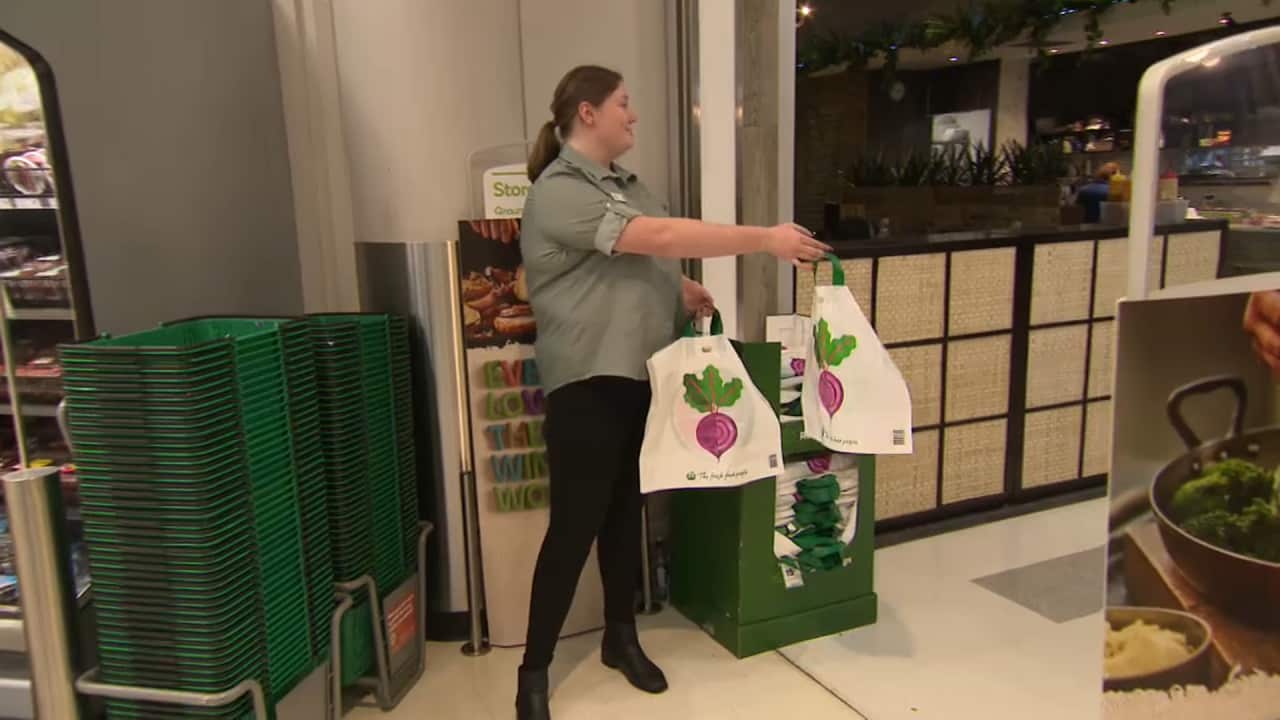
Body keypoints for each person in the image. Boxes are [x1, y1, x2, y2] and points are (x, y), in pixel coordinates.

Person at [515, 64, 829, 720]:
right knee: (573, 529)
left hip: (641, 376)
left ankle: (620, 638)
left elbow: (637, 259)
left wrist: (676, 287)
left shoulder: (629, 186)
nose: (633, 115)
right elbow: (656, 237)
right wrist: (764, 239)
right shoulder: (559, 189)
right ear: (587, 113)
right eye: (623, 104)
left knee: (623, 517)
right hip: (586, 383)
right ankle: (533, 671)